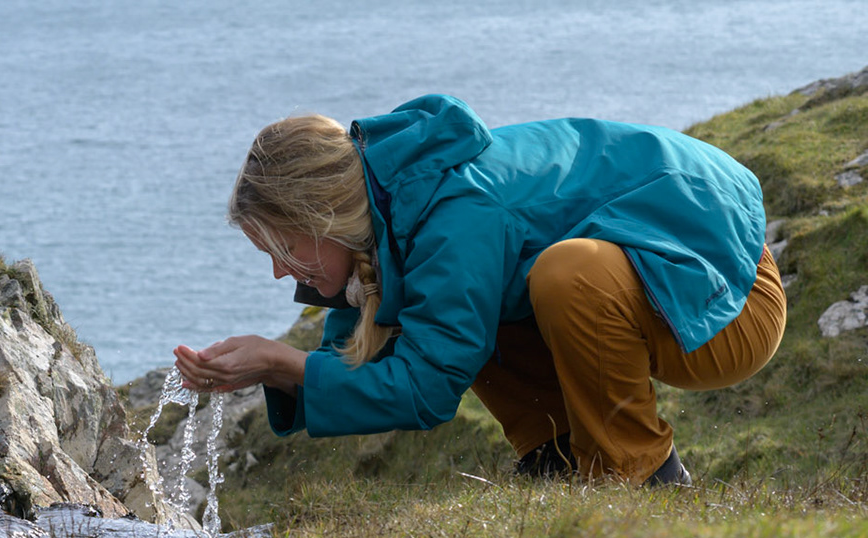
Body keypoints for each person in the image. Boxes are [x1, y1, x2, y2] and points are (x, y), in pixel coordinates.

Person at [174, 95, 786, 486]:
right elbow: (379, 359)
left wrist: (287, 362)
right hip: (669, 287)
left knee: (567, 273)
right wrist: (275, 372)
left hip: (724, 300)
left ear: (326, 217)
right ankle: (558, 459)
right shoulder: (394, 208)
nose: (281, 273)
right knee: (476, 304)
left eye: (283, 249)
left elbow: (425, 389)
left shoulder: (453, 212)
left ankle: (641, 480)